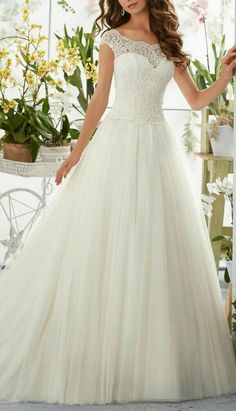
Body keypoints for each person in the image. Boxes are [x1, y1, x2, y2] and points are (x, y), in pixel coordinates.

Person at [0, 0, 236, 406]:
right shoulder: (110, 38)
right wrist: (77, 151)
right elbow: (99, 99)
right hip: (117, 143)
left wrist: (225, 77)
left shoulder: (168, 43)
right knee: (104, 241)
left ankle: (150, 361)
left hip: (157, 148)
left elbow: (196, 101)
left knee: (152, 247)